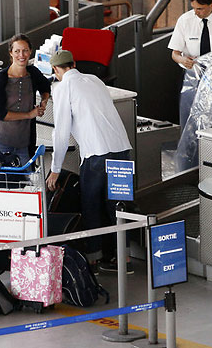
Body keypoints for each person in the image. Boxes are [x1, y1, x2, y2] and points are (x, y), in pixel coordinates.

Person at [46, 50, 132, 273]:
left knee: (91, 205)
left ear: (56, 71)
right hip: (122, 149)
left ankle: (94, 259)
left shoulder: (62, 87)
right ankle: (124, 259)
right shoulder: (94, 80)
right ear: (74, 64)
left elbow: (61, 132)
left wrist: (55, 169)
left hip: (96, 153)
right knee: (118, 207)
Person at [168, 0, 212, 170]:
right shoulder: (185, 20)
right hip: (193, 80)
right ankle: (191, 165)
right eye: (194, 8)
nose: (196, 12)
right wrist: (182, 59)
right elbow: (175, 53)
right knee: (191, 121)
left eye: (200, 9)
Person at [0, 34, 50, 165]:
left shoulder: (33, 73)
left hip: (24, 144)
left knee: (29, 181)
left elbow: (45, 86)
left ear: (31, 51)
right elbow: (0, 114)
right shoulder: (1, 78)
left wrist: (44, 101)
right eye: (17, 51)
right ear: (11, 53)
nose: (22, 55)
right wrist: (29, 114)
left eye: (25, 50)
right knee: (4, 183)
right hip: (0, 144)